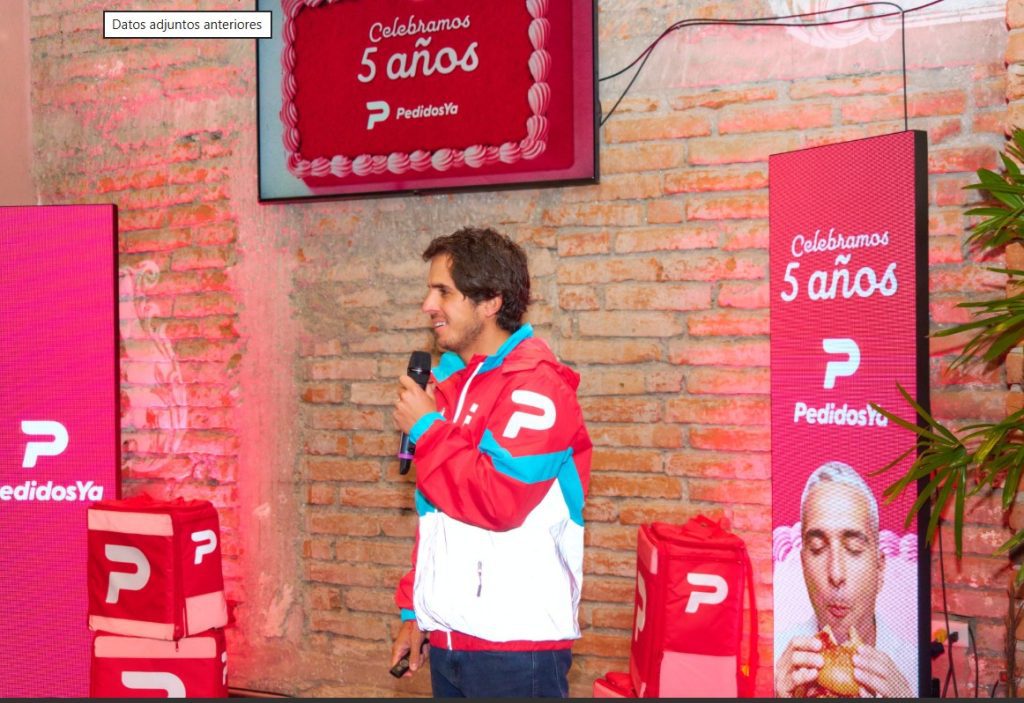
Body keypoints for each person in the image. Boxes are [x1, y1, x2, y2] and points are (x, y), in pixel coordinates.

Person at [389, 227, 592, 698]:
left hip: (516, 650)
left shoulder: (536, 386)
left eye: (443, 291)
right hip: (450, 639)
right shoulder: (450, 385)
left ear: (490, 302)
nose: (428, 305)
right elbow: (437, 513)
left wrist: (427, 430)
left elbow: (499, 500)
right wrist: (415, 612)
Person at [774, 461, 916, 698]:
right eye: (817, 548)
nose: (836, 574)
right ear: (803, 564)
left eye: (854, 548)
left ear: (880, 568)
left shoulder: (911, 669)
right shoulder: (776, 661)